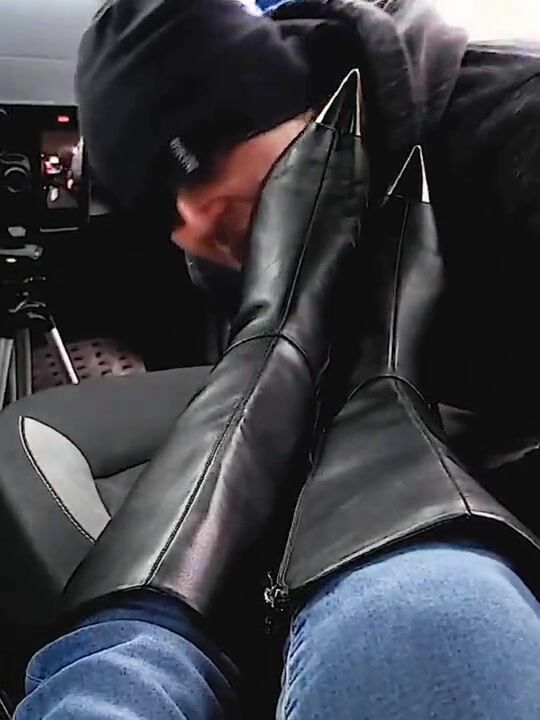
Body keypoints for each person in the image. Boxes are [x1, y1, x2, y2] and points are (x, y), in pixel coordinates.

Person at [12, 0, 540, 718]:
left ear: (281, 100)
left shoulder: (514, 134)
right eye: (164, 204)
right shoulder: (235, 224)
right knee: (430, 611)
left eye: (197, 162)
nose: (193, 228)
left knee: (428, 609)